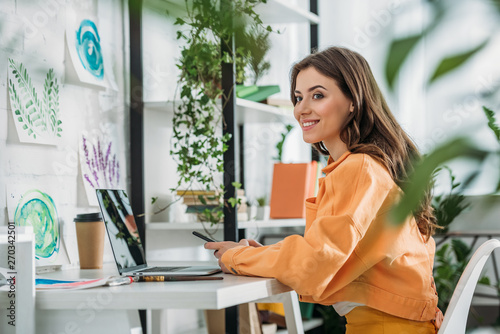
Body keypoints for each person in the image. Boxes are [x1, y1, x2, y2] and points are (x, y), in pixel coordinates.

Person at [205, 46, 443, 333]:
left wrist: (236, 257)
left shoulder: (359, 168)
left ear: (353, 101)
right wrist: (262, 256)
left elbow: (314, 264)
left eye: (318, 95)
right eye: (297, 97)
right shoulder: (365, 165)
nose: (301, 109)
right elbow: (325, 249)